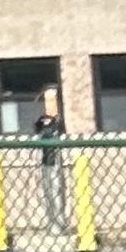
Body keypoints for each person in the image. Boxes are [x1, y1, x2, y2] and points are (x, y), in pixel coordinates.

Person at [32, 96, 70, 234]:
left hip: (54, 163)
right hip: (44, 164)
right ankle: (51, 223)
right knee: (47, 194)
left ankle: (59, 225)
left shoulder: (57, 124)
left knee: (57, 193)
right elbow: (37, 131)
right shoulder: (41, 123)